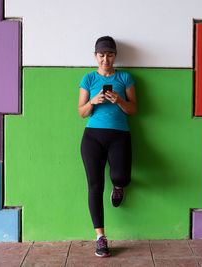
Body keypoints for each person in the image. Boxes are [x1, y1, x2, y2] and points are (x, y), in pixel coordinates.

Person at [78, 36, 137, 257]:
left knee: (121, 176)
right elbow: (81, 112)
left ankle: (119, 187)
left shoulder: (125, 78)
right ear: (95, 56)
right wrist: (93, 101)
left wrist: (119, 100)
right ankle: (100, 237)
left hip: (120, 135)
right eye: (101, 55)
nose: (105, 59)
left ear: (115, 56)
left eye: (110, 55)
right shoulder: (88, 79)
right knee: (95, 185)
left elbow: (133, 110)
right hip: (92, 136)